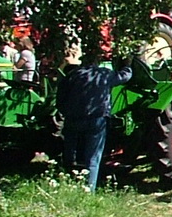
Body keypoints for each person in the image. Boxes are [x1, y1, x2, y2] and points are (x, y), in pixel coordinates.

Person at [57, 45, 133, 192]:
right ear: (97, 61)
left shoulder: (73, 75)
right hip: (96, 120)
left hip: (73, 119)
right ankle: (88, 190)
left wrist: (66, 113)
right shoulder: (103, 74)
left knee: (70, 155)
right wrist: (127, 65)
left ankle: (66, 183)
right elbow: (124, 77)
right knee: (93, 157)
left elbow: (60, 98)